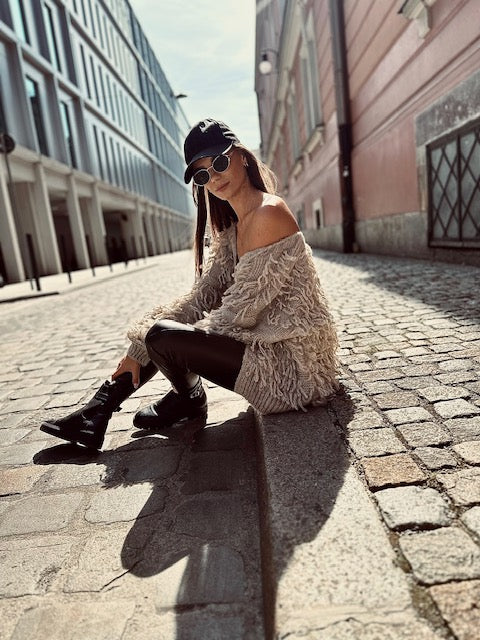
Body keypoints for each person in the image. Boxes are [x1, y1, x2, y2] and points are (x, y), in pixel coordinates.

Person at [41, 118, 339, 450]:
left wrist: (163, 344)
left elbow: (235, 317)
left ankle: (185, 399)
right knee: (161, 334)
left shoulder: (268, 213)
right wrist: (138, 351)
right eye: (202, 175)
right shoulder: (232, 231)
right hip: (265, 354)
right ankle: (99, 410)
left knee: (163, 336)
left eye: (219, 163)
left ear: (242, 157)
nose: (214, 177)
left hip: (294, 372)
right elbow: (200, 299)